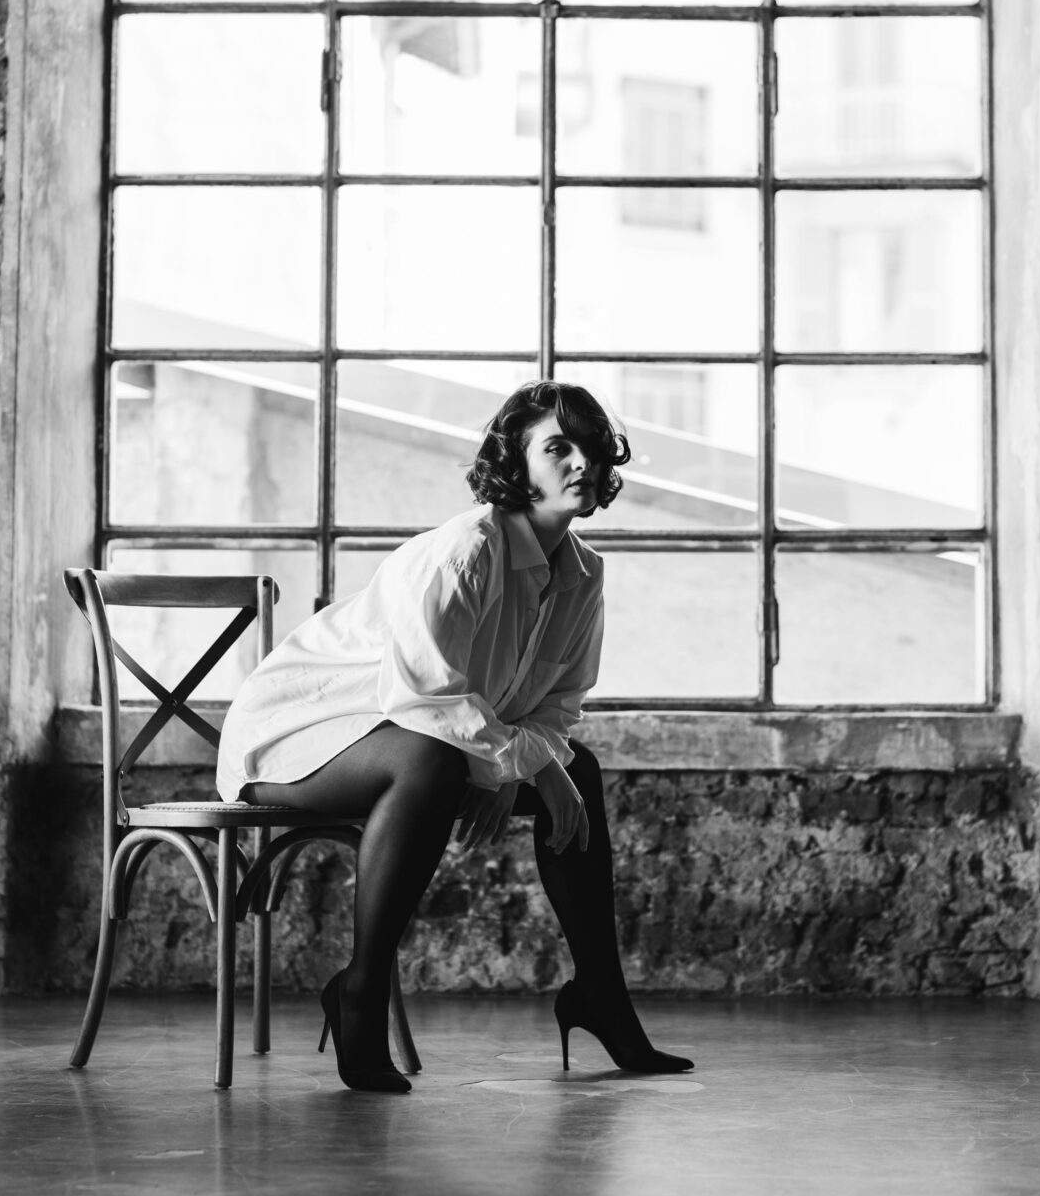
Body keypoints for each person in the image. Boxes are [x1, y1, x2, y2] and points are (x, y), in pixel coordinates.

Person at [216, 380, 693, 1094]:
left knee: (577, 769)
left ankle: (601, 998)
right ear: (517, 464)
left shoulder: (583, 573)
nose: (579, 463)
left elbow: (559, 707)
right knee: (432, 762)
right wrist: (504, 770)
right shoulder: (464, 552)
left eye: (589, 448)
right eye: (555, 447)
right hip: (295, 732)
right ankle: (360, 990)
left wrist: (520, 765)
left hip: (422, 736)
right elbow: (423, 697)